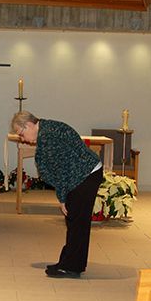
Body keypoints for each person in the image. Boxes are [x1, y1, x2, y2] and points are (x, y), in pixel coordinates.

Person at [11, 111, 103, 278]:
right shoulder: (46, 129)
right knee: (74, 221)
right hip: (81, 175)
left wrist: (62, 198)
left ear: (29, 125)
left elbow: (63, 171)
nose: (23, 139)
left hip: (84, 175)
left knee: (77, 222)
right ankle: (67, 261)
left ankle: (72, 267)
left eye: (21, 133)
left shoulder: (48, 136)